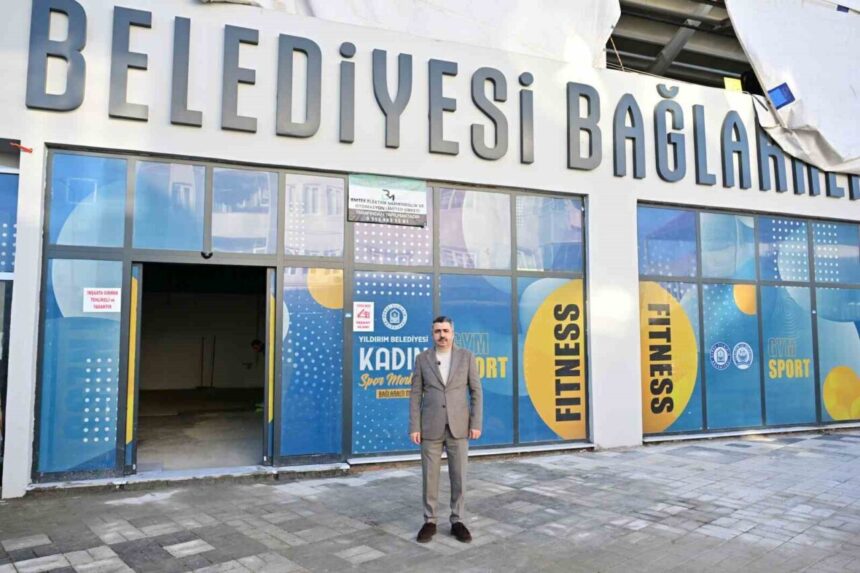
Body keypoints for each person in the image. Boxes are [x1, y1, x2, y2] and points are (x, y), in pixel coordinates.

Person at [408, 316, 483, 543]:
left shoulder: (467, 357)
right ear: (432, 334)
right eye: (437, 331)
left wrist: (476, 423)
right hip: (430, 427)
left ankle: (457, 520)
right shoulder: (422, 359)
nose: (442, 335)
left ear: (453, 333)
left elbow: (476, 392)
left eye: (445, 331)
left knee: (459, 476)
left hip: (459, 426)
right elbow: (415, 394)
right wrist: (414, 426)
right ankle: (429, 521)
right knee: (429, 476)